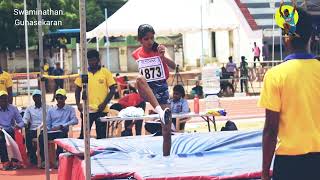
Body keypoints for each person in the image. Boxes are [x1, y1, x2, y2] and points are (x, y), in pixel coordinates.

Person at [259, 9, 320, 180]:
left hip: (288, 164)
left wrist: (265, 173)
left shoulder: (275, 76)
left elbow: (271, 130)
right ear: (312, 38)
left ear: (286, 40)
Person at [132, 24, 176, 156]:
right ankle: (160, 112)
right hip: (146, 89)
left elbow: (174, 66)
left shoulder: (160, 48)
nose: (150, 41)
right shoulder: (136, 54)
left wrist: (163, 57)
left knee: (167, 130)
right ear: (140, 40)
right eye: (146, 39)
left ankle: (166, 158)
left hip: (161, 89)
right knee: (139, 78)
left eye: (152, 38)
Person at [75, 50, 116, 139]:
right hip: (86, 110)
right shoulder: (83, 73)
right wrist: (78, 104)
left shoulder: (105, 72)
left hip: (101, 110)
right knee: (83, 137)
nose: (91, 63)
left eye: (93, 60)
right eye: (89, 60)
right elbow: (77, 89)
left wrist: (104, 104)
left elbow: (113, 89)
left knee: (102, 138)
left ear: (98, 60)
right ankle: (84, 153)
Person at [39, 89, 78, 169]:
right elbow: (48, 123)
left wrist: (62, 126)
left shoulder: (70, 109)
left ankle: (58, 160)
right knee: (41, 136)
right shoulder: (51, 110)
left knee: (61, 135)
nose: (59, 100)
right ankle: (44, 160)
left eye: (61, 98)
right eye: (57, 98)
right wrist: (48, 129)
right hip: (52, 131)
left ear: (65, 98)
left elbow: (75, 120)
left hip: (61, 130)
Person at [0, 91, 24, 170]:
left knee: (10, 135)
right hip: (1, 130)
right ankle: (5, 161)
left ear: (8, 99)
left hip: (10, 130)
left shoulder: (13, 108)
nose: (3, 100)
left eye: (5, 98)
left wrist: (18, 126)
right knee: (1, 138)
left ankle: (14, 161)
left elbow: (21, 121)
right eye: (1, 98)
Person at [23, 89, 48, 165]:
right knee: (27, 136)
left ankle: (43, 158)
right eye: (35, 97)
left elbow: (48, 119)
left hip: (44, 129)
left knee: (42, 137)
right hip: (33, 129)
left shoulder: (47, 107)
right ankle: (33, 156)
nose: (36, 98)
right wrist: (24, 123)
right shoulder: (29, 109)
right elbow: (25, 119)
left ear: (41, 97)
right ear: (33, 98)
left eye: (38, 96)